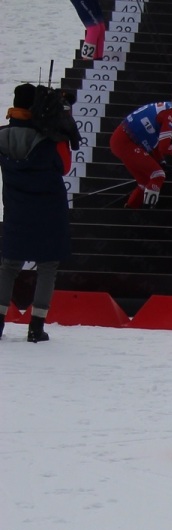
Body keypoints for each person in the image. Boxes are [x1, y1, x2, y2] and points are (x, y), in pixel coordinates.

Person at [1, 84, 76, 343]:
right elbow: (64, 167)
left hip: (15, 208)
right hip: (49, 210)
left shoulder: (2, 135)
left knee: (9, 265)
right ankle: (36, 326)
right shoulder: (50, 138)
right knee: (47, 266)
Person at [109, 86, 172, 208]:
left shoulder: (169, 109)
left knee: (145, 182)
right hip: (126, 141)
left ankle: (130, 210)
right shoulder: (171, 114)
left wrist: (162, 162)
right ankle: (148, 210)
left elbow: (155, 142)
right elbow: (164, 147)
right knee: (158, 174)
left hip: (124, 139)